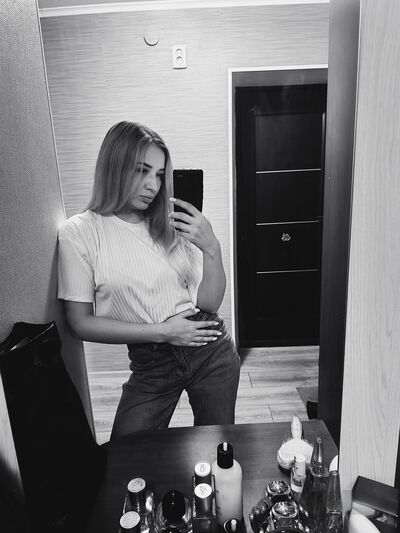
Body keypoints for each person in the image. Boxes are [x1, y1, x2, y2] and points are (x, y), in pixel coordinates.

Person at [57, 121, 241, 438]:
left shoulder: (170, 222)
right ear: (114, 166)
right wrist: (164, 332)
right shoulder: (80, 232)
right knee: (127, 453)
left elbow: (209, 302)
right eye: (142, 171)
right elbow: (79, 323)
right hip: (150, 362)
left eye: (159, 174)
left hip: (210, 349)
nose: (153, 186)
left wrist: (212, 247)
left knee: (215, 446)